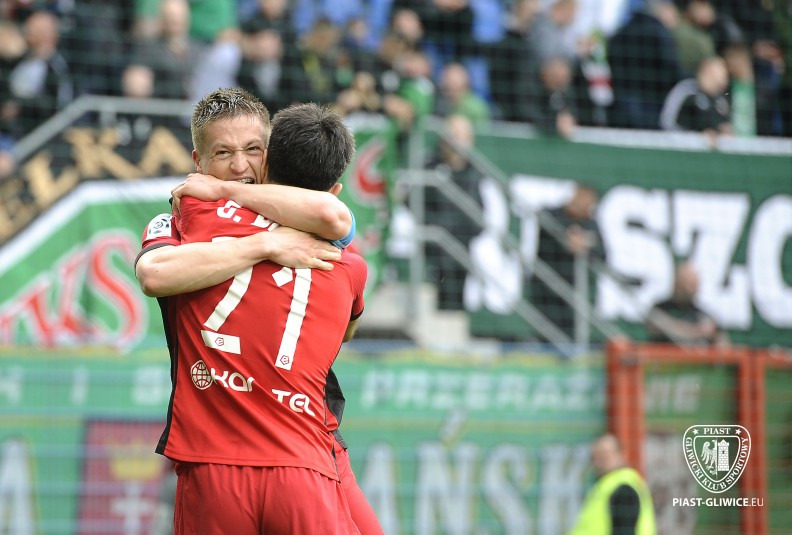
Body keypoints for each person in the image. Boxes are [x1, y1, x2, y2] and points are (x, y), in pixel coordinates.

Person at [136, 89, 383, 533]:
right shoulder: (181, 223)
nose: (239, 166)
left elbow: (335, 216)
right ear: (198, 162)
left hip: (312, 440)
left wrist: (228, 198)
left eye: (252, 150)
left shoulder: (321, 228)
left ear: (271, 156)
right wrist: (266, 244)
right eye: (223, 153)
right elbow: (154, 274)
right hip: (243, 449)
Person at [532, 183, 604, 338]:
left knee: (572, 332)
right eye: (582, 198)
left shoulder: (590, 223)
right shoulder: (552, 214)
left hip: (575, 290)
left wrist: (585, 242)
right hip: (547, 288)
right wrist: (569, 238)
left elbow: (602, 251)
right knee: (547, 331)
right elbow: (553, 231)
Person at [569, 433, 657, 535]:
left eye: (605, 454)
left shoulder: (623, 487)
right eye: (595, 456)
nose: (599, 460)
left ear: (620, 455)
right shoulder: (606, 485)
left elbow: (625, 530)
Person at [645, 261, 730, 346]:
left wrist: (716, 337)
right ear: (677, 283)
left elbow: (723, 343)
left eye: (695, 285)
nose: (693, 290)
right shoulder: (659, 309)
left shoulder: (701, 315)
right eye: (689, 284)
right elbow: (669, 329)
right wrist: (699, 331)